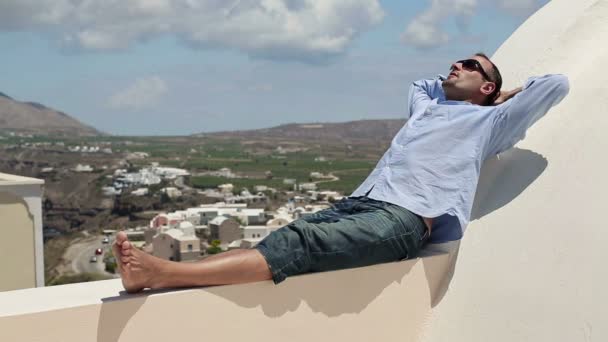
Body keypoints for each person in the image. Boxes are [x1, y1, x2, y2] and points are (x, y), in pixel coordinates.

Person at [113, 53, 569, 293]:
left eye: (471, 66)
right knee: (283, 239)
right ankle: (170, 271)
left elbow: (555, 86)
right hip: (362, 201)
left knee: (301, 244)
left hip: (403, 218)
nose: (456, 66)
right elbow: (420, 84)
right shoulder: (429, 107)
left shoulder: (490, 122)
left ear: (488, 87)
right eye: (456, 61)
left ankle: (162, 273)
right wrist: (468, 85)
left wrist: (500, 95)